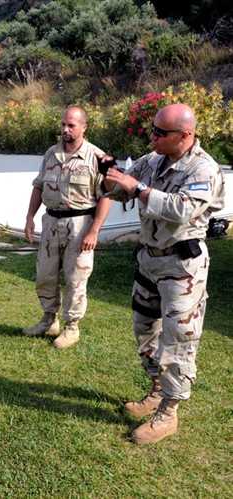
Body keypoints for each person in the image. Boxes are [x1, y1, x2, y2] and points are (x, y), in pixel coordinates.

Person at [101, 103, 225, 445]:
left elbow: (182, 209)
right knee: (145, 331)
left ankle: (168, 414)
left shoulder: (204, 169)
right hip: (149, 261)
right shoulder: (153, 159)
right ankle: (157, 391)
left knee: (178, 341)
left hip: (181, 267)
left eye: (160, 133)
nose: (152, 137)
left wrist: (137, 188)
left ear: (184, 135)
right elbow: (122, 188)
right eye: (152, 130)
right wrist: (109, 176)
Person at [23, 106, 112, 348]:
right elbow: (39, 185)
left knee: (75, 279)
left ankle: (71, 328)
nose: (65, 129)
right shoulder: (51, 153)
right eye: (63, 124)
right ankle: (48, 320)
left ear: (84, 127)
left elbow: (107, 195)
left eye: (71, 125)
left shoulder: (97, 157)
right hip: (51, 222)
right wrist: (30, 217)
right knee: (45, 275)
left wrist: (94, 230)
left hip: (80, 225)